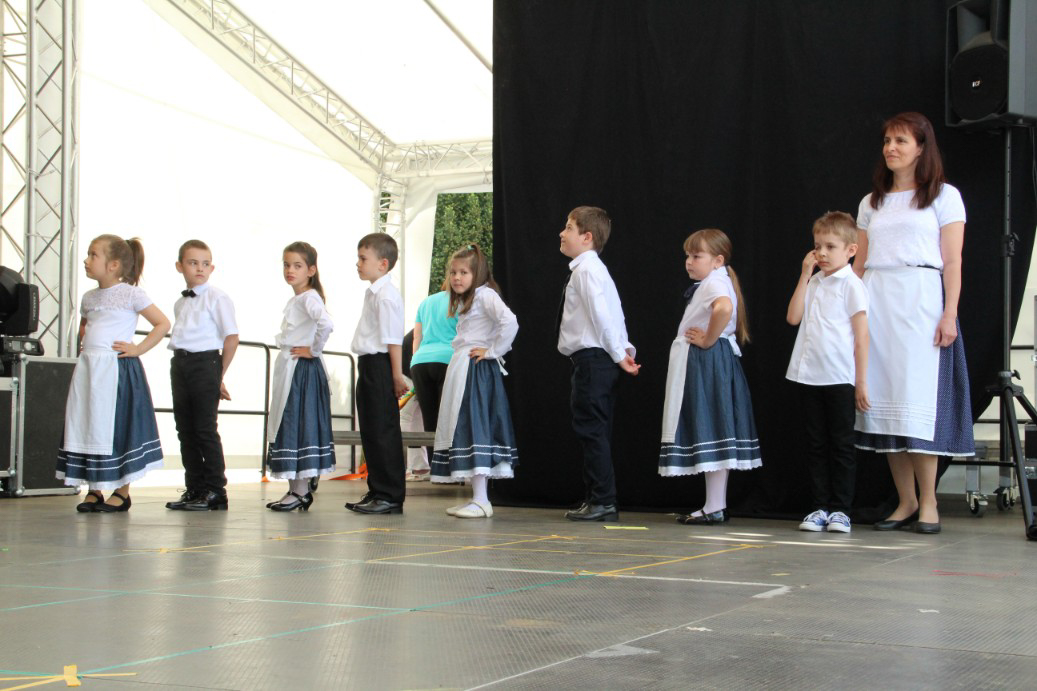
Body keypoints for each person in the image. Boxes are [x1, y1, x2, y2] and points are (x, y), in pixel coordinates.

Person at [853, 112, 975, 535]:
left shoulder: (944, 196)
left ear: (922, 148)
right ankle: (904, 501)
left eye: (901, 140)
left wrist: (949, 313)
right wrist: (849, 313)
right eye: (887, 140)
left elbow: (953, 261)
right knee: (885, 405)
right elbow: (859, 264)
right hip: (877, 299)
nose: (891, 148)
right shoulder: (871, 202)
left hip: (920, 300)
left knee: (916, 404)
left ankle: (929, 502)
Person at [57, 235, 169, 512]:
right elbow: (85, 325)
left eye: (93, 255)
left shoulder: (131, 294)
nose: (86, 260)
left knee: (118, 425)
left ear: (113, 264)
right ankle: (94, 489)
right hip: (90, 370)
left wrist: (138, 348)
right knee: (87, 423)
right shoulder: (89, 297)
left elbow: (162, 323)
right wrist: (86, 342)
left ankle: (122, 490)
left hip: (116, 369)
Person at [659, 229, 761, 524]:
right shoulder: (715, 281)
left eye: (696, 256)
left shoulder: (716, 282)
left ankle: (715, 505)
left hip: (709, 361)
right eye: (687, 256)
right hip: (710, 361)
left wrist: (707, 339)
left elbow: (724, 308)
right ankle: (714, 504)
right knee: (715, 428)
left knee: (712, 425)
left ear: (717, 260)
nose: (689, 261)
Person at [786, 212, 869, 533]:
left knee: (842, 445)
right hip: (808, 375)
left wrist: (860, 381)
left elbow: (862, 337)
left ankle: (841, 510)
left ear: (851, 250)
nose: (821, 253)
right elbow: (793, 318)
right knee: (816, 444)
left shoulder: (852, 285)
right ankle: (819, 507)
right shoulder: (815, 281)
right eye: (817, 246)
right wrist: (804, 275)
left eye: (830, 247)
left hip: (839, 376)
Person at [557, 206, 640, 522]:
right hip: (599, 359)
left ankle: (603, 501)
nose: (562, 233)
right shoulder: (594, 270)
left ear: (587, 236)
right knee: (596, 430)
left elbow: (602, 316)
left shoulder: (587, 271)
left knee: (591, 430)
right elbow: (615, 313)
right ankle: (598, 498)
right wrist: (624, 349)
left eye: (569, 227)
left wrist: (619, 354)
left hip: (594, 360)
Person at [430, 244, 519, 518]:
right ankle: (476, 497)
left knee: (474, 426)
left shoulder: (485, 295)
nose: (457, 277)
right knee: (463, 428)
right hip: (463, 367)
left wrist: (492, 351)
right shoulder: (470, 300)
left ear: (477, 273)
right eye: (454, 272)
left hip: (475, 372)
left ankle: (482, 500)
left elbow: (510, 322)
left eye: (464, 272)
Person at [165, 240, 239, 512]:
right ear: (179, 266)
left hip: (205, 363)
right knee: (185, 429)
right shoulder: (180, 302)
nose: (199, 268)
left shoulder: (217, 297)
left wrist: (219, 374)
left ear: (212, 268)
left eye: (205, 264)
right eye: (193, 263)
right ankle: (195, 488)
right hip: (180, 363)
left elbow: (232, 337)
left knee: (205, 428)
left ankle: (216, 490)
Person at [266, 241, 336, 511]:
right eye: (287, 265)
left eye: (297, 265)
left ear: (311, 270)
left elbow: (326, 323)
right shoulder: (299, 298)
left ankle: (301, 490)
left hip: (301, 371)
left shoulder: (309, 297)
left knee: (296, 422)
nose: (290, 270)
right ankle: (297, 489)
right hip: (293, 367)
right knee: (290, 422)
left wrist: (313, 350)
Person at [345, 232, 408, 515]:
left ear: (383, 264)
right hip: (368, 364)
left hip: (381, 365)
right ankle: (377, 489)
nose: (358, 264)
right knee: (371, 430)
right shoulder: (373, 293)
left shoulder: (386, 296)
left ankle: (390, 495)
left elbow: (393, 340)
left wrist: (396, 375)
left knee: (383, 430)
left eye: (363, 258)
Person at [410, 274, 459, 467]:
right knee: (449, 417)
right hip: (449, 359)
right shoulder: (462, 302)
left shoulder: (426, 302)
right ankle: (451, 466)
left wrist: (414, 361)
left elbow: (417, 337)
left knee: (429, 419)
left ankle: (436, 467)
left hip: (420, 362)